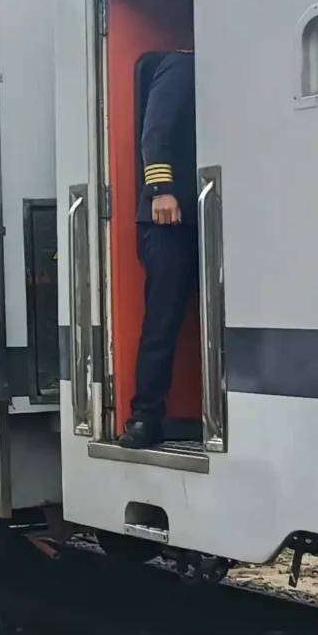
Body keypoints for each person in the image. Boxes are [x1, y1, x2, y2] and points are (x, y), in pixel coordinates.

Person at [120, 49, 199, 451]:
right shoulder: (182, 64)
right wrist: (160, 189)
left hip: (206, 216)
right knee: (162, 322)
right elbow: (156, 130)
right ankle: (145, 417)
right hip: (168, 219)